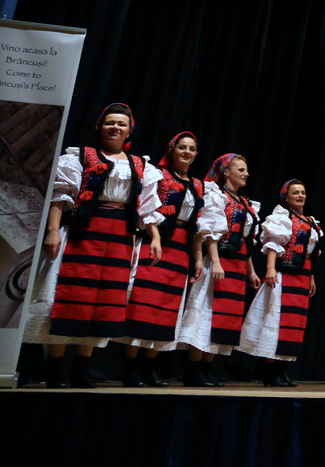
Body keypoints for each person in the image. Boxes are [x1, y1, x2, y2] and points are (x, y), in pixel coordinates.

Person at [25, 103, 163, 388]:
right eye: (110, 122)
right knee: (73, 296)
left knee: (104, 301)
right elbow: (61, 195)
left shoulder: (140, 165)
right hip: (84, 231)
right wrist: (53, 231)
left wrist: (156, 238)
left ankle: (81, 369)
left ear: (129, 130)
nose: (116, 128)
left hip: (120, 236)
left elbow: (148, 207)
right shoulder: (80, 156)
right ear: (100, 126)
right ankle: (56, 369)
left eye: (121, 124)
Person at [116, 131, 203, 387]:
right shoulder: (158, 174)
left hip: (181, 248)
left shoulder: (199, 185)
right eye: (182, 147)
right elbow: (145, 207)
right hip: (158, 242)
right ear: (172, 150)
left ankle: (149, 366)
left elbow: (198, 226)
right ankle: (130, 368)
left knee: (167, 307)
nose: (187, 152)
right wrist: (151, 236)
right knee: (144, 303)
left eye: (191, 149)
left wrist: (198, 259)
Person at [178, 152, 261, 386]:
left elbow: (246, 240)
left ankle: (207, 370)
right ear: (226, 172)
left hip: (237, 263)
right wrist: (215, 262)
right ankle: (194, 371)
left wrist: (251, 271)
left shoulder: (245, 203)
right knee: (206, 312)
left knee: (224, 318)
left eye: (246, 170)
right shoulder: (215, 194)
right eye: (241, 170)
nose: (246, 174)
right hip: (219, 260)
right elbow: (209, 232)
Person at [239, 179, 322, 386]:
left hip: (302, 277)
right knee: (276, 322)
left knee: (293, 324)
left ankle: (281, 369)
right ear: (286, 196)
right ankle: (269, 372)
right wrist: (270, 269)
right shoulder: (282, 217)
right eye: (295, 193)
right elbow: (273, 244)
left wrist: (311, 277)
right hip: (285, 275)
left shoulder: (310, 221)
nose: (300, 196)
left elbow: (312, 253)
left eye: (302, 192)